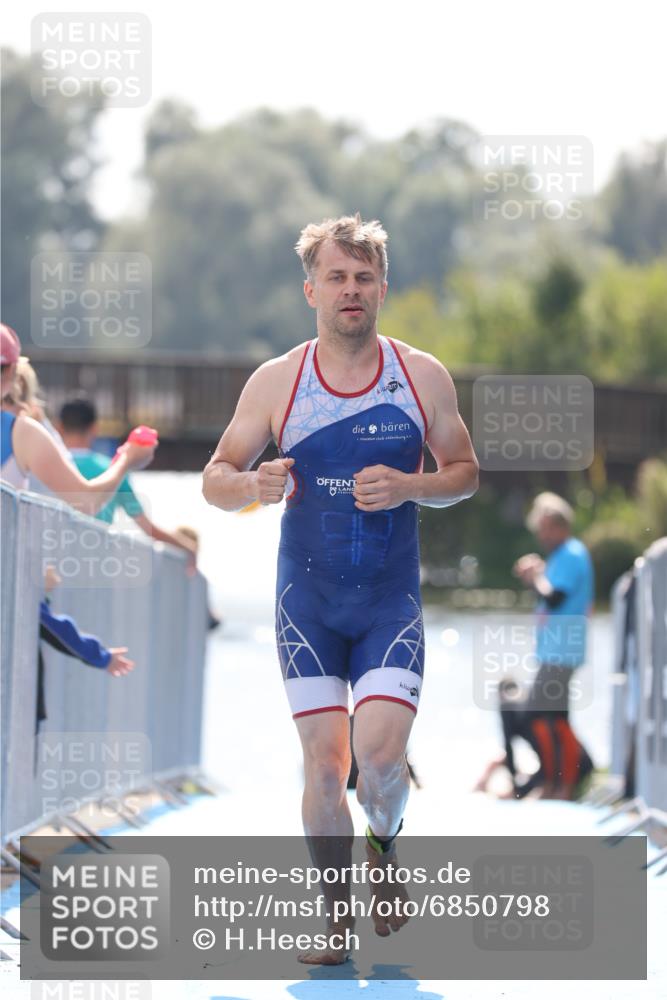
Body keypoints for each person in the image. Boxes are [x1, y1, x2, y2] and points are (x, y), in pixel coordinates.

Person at [203, 214, 479, 963]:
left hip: (389, 602)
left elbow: (463, 474)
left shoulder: (420, 375)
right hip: (309, 607)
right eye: (336, 277)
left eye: (363, 278)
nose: (350, 290)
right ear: (311, 290)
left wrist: (410, 485)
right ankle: (333, 920)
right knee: (324, 761)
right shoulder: (278, 382)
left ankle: (383, 852)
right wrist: (251, 484)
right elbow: (214, 479)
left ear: (381, 289)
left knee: (381, 758)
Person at [1, 323, 155, 510]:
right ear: (12, 370)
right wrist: (127, 459)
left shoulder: (23, 432)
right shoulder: (22, 433)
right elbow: (86, 502)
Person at [513, 492, 595, 799]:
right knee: (550, 715)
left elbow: (555, 596)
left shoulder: (572, 553)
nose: (542, 535)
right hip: (554, 650)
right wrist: (536, 576)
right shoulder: (561, 556)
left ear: (561, 526)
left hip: (563, 651)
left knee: (546, 715)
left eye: (546, 528)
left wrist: (535, 577)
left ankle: (561, 784)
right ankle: (556, 782)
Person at [57, 396, 196, 572]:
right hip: (96, 569)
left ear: (59, 427)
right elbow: (148, 528)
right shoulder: (113, 470)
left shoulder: (45, 466)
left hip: (52, 567)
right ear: (94, 428)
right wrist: (188, 548)